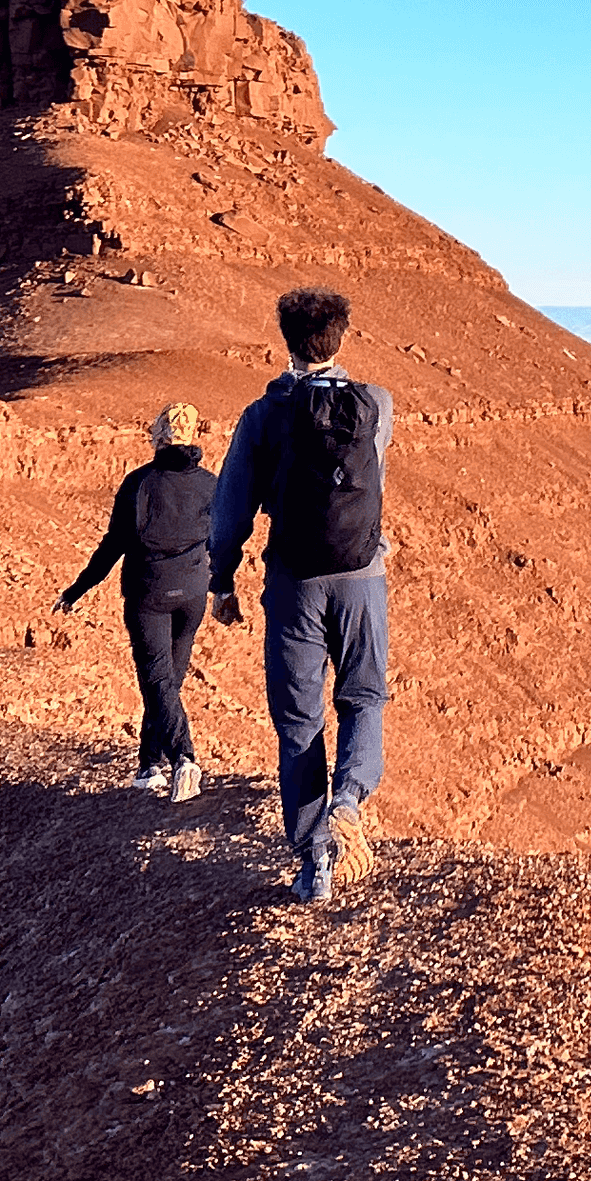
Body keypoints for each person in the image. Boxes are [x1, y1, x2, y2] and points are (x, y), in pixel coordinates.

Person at [210, 287, 393, 902]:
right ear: (340, 339)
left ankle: (316, 858)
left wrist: (221, 579)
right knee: (364, 695)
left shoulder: (265, 414)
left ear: (286, 340)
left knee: (298, 721)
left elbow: (232, 505)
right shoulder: (376, 404)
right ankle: (349, 798)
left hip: (293, 583)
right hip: (361, 576)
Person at [57, 401, 219, 799]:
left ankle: (184, 758)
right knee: (167, 681)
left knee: (158, 679)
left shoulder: (139, 483)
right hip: (193, 595)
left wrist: (78, 588)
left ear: (157, 435)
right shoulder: (212, 484)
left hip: (149, 595)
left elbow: (114, 544)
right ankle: (149, 764)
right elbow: (223, 537)